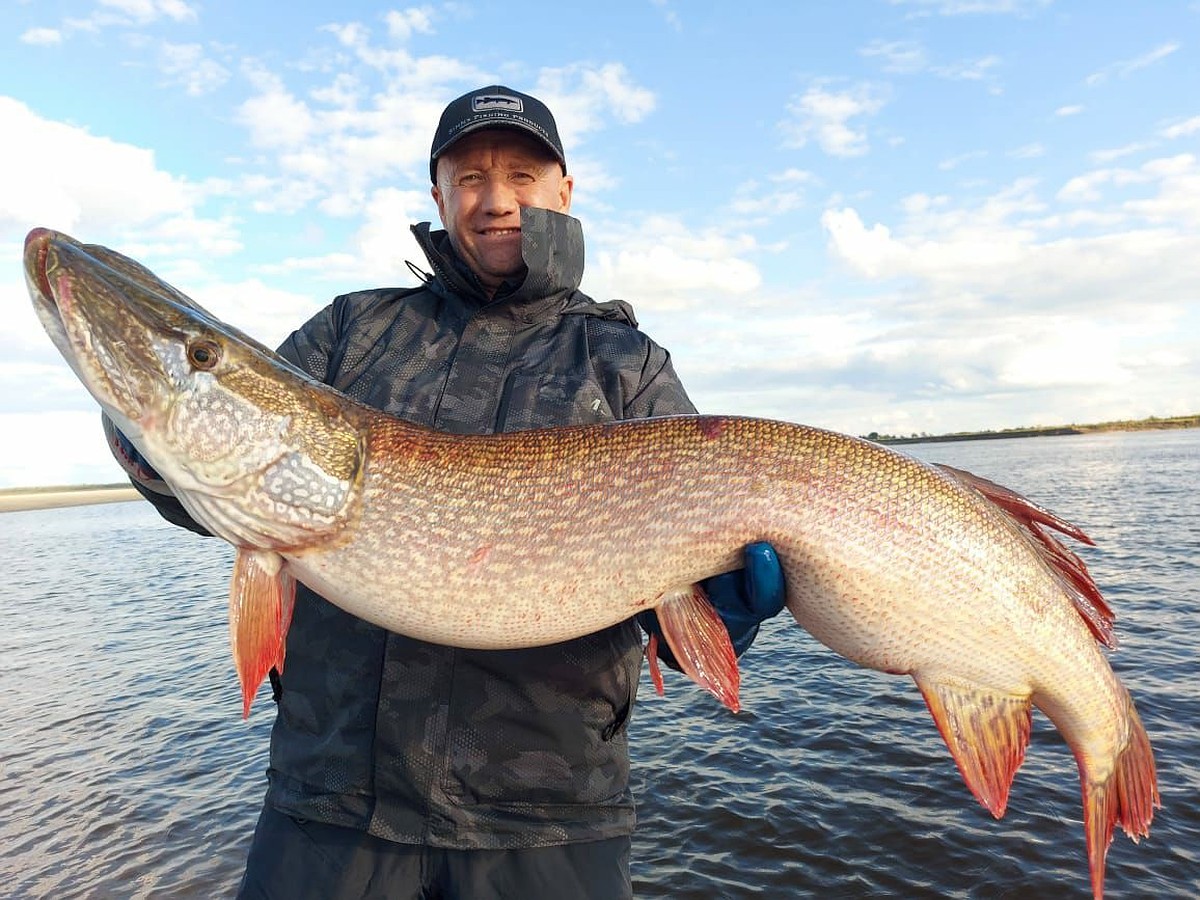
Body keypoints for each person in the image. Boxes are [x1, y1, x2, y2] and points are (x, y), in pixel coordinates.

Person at [104, 85, 787, 899]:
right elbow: (222, 489)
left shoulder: (625, 365)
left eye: (522, 175)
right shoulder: (349, 331)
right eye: (469, 177)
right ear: (438, 193)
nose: (495, 200)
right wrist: (147, 437)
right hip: (329, 809)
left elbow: (670, 616)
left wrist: (727, 612)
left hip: (548, 820)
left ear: (563, 191)